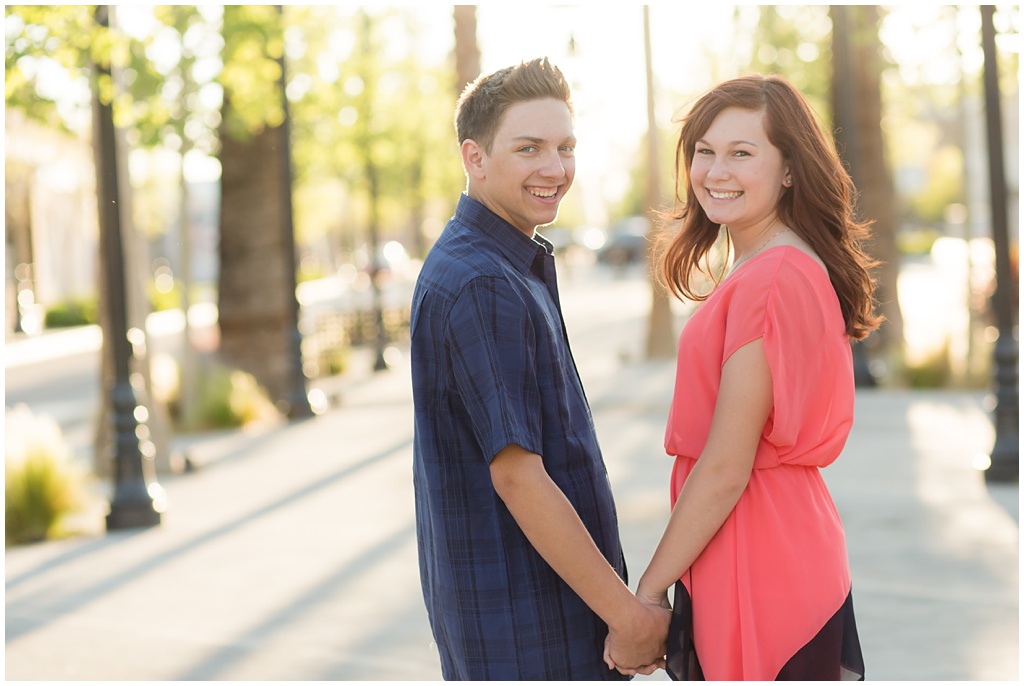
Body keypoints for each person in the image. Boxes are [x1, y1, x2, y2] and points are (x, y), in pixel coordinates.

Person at [606, 73, 879, 680]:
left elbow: (727, 466)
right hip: (767, 539)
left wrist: (647, 595)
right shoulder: (774, 264)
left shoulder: (772, 278)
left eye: (741, 153)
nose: (715, 170)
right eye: (705, 150)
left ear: (788, 170)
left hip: (759, 551)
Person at [410, 57, 669, 680]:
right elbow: (519, 477)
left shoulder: (491, 264)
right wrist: (627, 616)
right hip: (531, 630)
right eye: (529, 148)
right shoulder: (482, 282)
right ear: (474, 158)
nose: (555, 169)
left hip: (520, 622)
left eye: (565, 147)